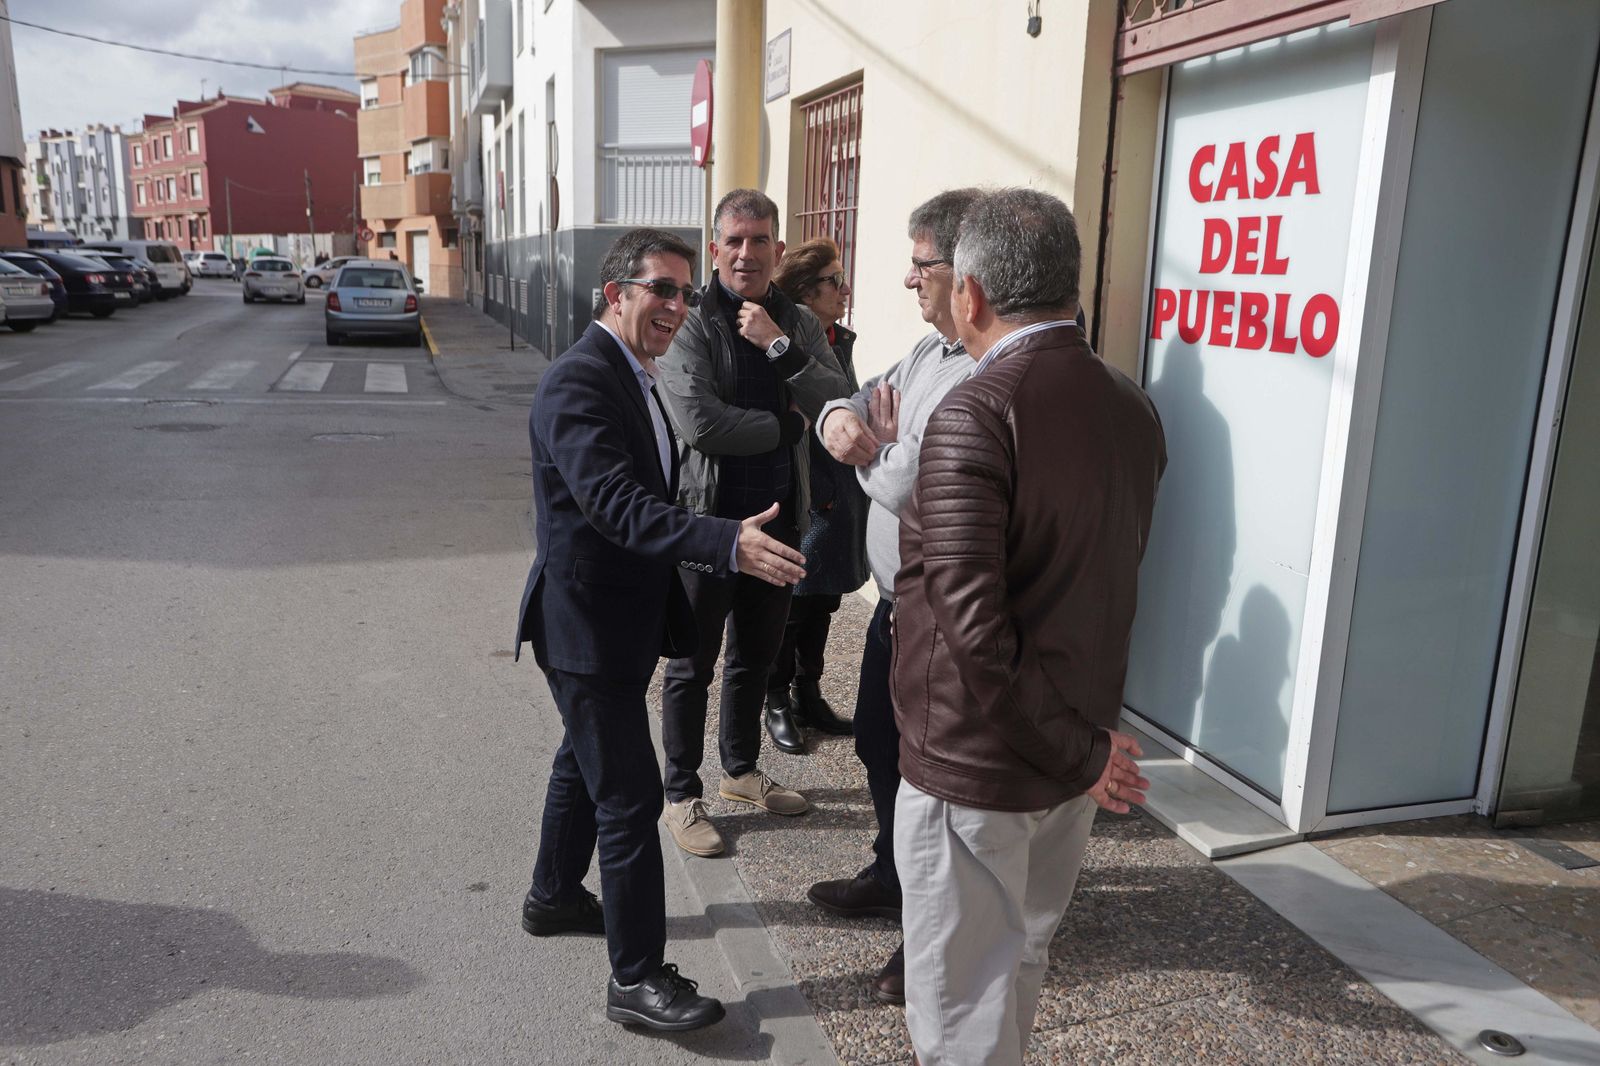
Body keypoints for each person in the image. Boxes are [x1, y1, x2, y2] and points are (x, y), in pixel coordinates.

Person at [891, 188, 1166, 1065]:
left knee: (963, 1005)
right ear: (1070, 292)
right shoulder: (1131, 406)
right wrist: (1084, 752)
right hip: (1069, 754)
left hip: (981, 769)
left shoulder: (974, 411)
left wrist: (1084, 756)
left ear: (969, 294)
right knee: (1019, 970)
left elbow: (973, 632)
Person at [513, 227, 807, 1032]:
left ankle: (551, 896)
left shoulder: (632, 371)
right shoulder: (580, 381)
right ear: (616, 294)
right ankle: (636, 980)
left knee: (582, 757)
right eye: (661, 290)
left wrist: (714, 535)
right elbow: (613, 504)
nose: (678, 306)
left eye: (684, 291)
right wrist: (722, 541)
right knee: (632, 795)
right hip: (584, 626)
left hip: (618, 620)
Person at [802, 188, 981, 1005]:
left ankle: (927, 930)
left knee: (927, 781)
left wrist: (875, 451)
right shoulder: (926, 355)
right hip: (892, 607)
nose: (909, 282)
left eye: (921, 266)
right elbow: (851, 396)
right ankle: (891, 874)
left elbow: (911, 484)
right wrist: (842, 419)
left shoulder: (983, 370)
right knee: (878, 747)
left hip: (942, 620)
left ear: (965, 272)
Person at [654, 189, 850, 857]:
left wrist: (777, 347)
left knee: (755, 659)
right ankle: (681, 794)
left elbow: (835, 395)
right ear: (716, 249)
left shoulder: (793, 318)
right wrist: (787, 425)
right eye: (735, 240)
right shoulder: (691, 320)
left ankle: (738, 772)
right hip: (710, 525)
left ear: (777, 249)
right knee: (691, 663)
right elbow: (701, 423)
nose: (747, 252)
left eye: (760, 239)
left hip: (781, 520)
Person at [766, 237, 866, 739]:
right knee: (794, 601)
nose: (844, 289)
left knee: (824, 598)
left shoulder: (838, 337)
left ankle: (810, 693)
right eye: (834, 280)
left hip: (838, 486)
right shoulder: (787, 337)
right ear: (806, 290)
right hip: (805, 486)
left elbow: (845, 402)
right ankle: (776, 697)